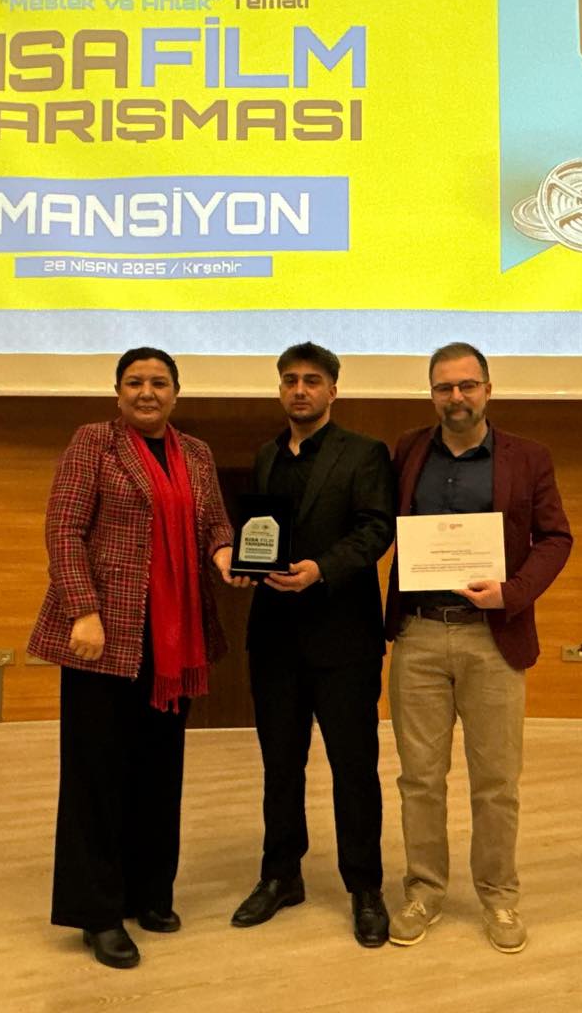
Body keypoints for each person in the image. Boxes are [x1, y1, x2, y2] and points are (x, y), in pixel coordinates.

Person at [26, 349, 248, 970]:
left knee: (159, 768)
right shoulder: (93, 442)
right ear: (118, 391)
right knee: (96, 775)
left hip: (175, 637)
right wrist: (83, 610)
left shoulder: (196, 452)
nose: (147, 392)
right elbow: (64, 530)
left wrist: (225, 557)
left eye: (159, 382)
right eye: (135, 382)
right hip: (104, 635)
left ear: (176, 392)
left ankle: (149, 892)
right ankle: (98, 912)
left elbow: (214, 525)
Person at [382, 344, 572, 954]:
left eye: (467, 385)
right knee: (419, 779)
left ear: (488, 389)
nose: (456, 397)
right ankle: (424, 891)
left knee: (496, 781)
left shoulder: (528, 457)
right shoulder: (407, 451)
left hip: (493, 638)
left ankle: (499, 895)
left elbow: (556, 538)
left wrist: (510, 593)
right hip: (417, 634)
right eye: (444, 388)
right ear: (431, 394)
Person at [230, 343, 396, 947]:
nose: (300, 390)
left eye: (312, 381)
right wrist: (248, 565)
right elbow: (262, 535)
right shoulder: (266, 455)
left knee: (354, 769)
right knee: (280, 765)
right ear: (280, 389)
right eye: (290, 380)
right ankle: (281, 875)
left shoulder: (365, 453)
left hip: (343, 639)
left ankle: (365, 887)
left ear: (332, 391)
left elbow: (377, 528)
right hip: (274, 639)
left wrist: (320, 569)